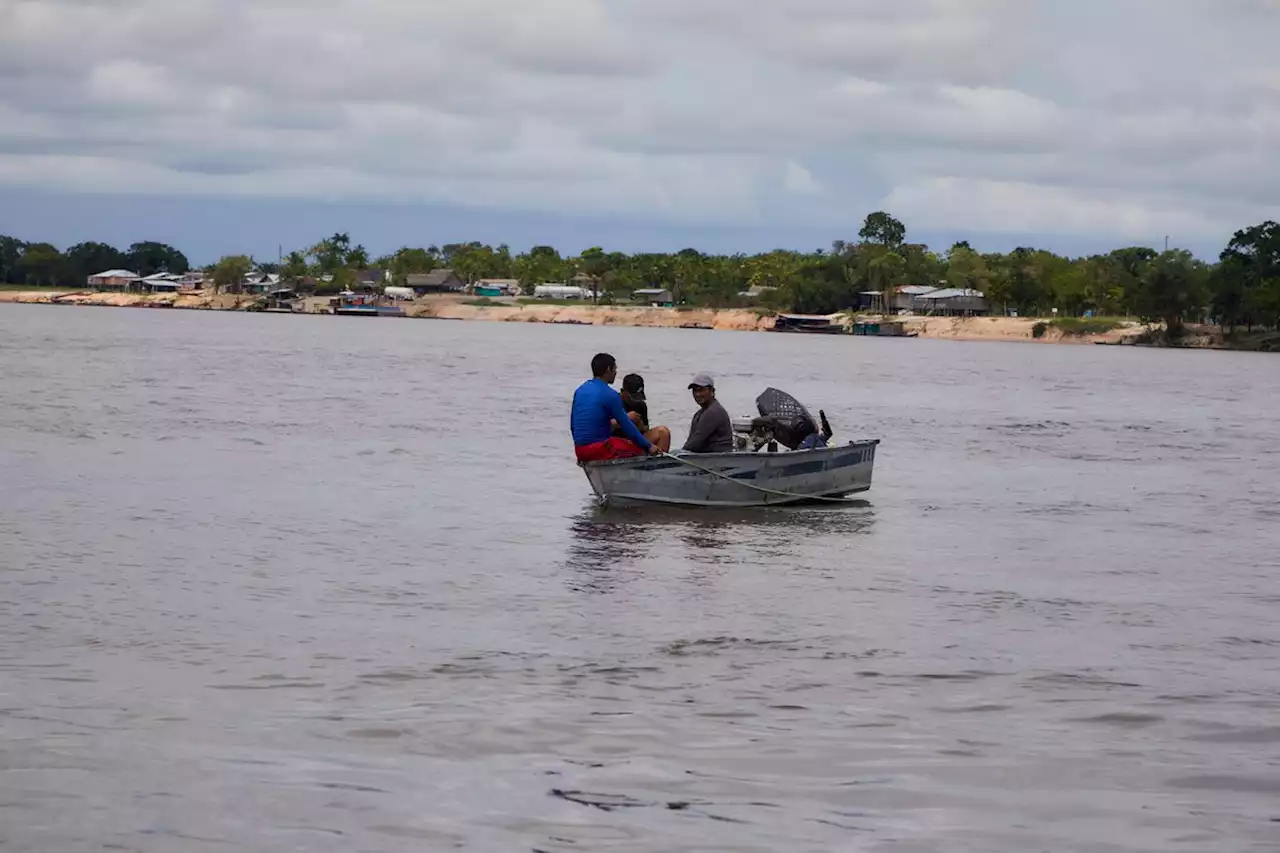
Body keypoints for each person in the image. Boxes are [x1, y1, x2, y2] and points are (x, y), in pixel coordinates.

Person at [571, 353, 671, 462]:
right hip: (598, 449)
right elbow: (627, 425)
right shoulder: (610, 395)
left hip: (579, 450)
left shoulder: (580, 391)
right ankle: (650, 475)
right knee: (643, 451)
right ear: (608, 369)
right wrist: (649, 446)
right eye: (615, 369)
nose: (615, 373)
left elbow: (573, 425)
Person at [682, 372, 734, 453]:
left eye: (701, 390)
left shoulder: (713, 412)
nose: (697, 394)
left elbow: (694, 443)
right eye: (694, 391)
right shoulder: (699, 414)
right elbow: (691, 442)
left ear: (712, 391)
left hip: (717, 458)